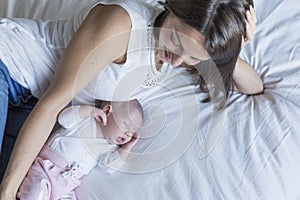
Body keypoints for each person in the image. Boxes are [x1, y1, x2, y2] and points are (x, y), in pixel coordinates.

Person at [0, 0, 262, 198]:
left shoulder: (186, 49)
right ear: (173, 7)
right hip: (10, 64)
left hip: (32, 109)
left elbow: (253, 86)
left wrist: (232, 46)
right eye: (176, 43)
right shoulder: (122, 24)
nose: (178, 61)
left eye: (193, 58)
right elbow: (53, 103)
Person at [17, 99, 143, 200]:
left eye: (132, 132)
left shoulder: (110, 148)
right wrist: (88, 111)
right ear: (107, 110)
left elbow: (110, 167)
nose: (128, 134)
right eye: (126, 125)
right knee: (34, 193)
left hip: (67, 187)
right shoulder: (86, 119)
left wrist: (127, 147)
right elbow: (63, 119)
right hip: (45, 170)